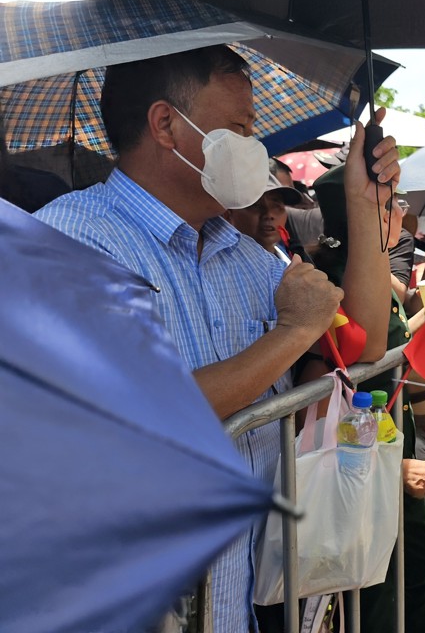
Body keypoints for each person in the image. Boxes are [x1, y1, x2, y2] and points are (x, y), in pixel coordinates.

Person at [34, 45, 401, 633]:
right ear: (165, 125)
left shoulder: (242, 258)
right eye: (239, 129)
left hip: (232, 604)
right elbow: (142, 412)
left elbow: (364, 341)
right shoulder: (75, 239)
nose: (255, 150)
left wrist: (365, 204)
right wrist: (291, 332)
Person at [311, 163, 425, 633]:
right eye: (389, 206)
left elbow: (391, 342)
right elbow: (324, 384)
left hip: (390, 447)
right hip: (358, 460)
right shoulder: (331, 277)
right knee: (380, 587)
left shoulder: (370, 270)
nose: (399, 216)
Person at [224, 173, 303, 259]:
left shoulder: (291, 255)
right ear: (229, 214)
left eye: (276, 206)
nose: (269, 214)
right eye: (255, 205)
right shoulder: (224, 265)